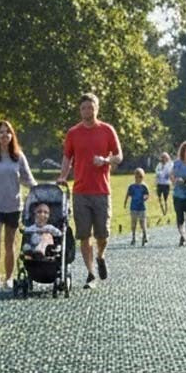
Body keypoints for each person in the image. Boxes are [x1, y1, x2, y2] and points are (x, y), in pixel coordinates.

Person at [58, 93, 122, 290]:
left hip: (101, 190)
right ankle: (90, 273)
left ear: (97, 108)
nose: (88, 111)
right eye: (84, 108)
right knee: (84, 234)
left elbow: (119, 156)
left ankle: (101, 256)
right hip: (80, 191)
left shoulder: (107, 130)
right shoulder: (73, 133)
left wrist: (105, 160)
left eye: (91, 107)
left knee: (102, 234)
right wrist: (63, 176)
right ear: (80, 110)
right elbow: (67, 158)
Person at [0, 119, 36, 289]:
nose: (4, 135)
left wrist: (40, 190)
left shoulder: (18, 156)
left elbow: (28, 179)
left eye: (7, 132)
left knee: (10, 244)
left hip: (13, 207)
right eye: (1, 132)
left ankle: (9, 277)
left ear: (12, 135)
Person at [124, 167, 150, 246]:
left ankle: (144, 235)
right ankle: (133, 237)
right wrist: (125, 202)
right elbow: (128, 194)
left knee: (142, 222)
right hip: (134, 207)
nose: (138, 179)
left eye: (140, 177)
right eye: (137, 177)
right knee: (133, 223)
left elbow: (147, 195)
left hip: (142, 207)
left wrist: (145, 198)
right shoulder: (132, 187)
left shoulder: (144, 187)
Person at [154, 152, 173, 217]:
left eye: (165, 157)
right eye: (162, 157)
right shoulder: (159, 165)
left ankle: (166, 210)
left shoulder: (170, 164)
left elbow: (170, 172)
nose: (163, 159)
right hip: (159, 183)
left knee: (165, 198)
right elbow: (156, 171)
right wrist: (159, 174)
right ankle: (162, 209)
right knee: (159, 197)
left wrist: (166, 174)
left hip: (166, 184)